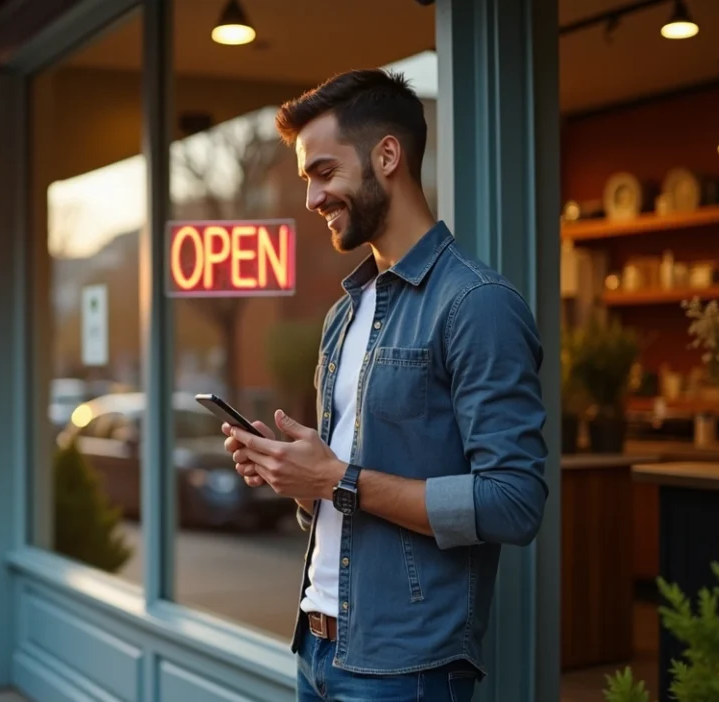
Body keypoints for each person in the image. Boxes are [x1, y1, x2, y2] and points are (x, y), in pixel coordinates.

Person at [221, 69, 549, 701]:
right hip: (315, 647)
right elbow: (343, 499)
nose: (313, 198)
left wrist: (335, 478)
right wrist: (295, 475)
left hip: (407, 669)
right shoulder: (344, 314)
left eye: (323, 172)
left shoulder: (476, 304)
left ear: (387, 156)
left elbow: (514, 501)